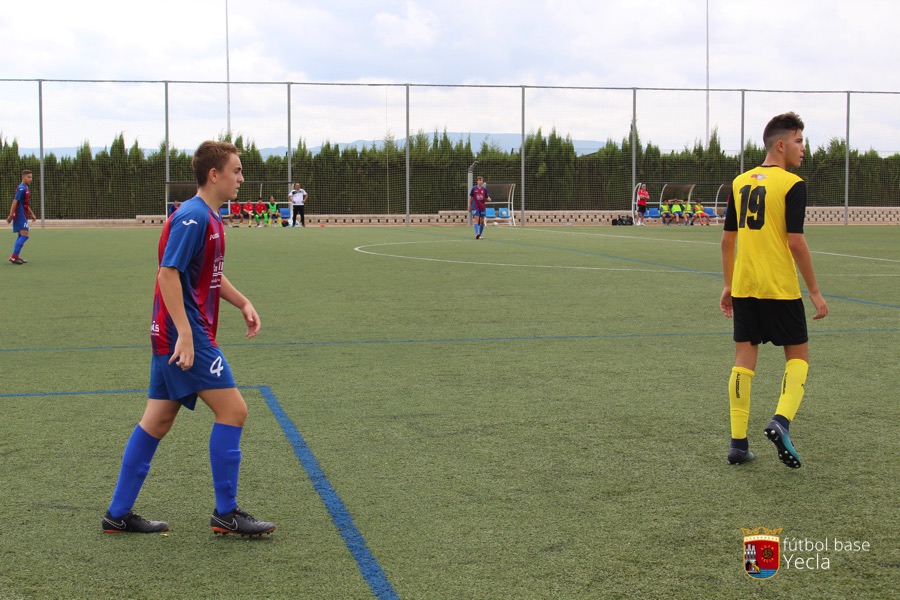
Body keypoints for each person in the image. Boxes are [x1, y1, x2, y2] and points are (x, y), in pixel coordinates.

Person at [102, 141, 276, 536]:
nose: (241, 178)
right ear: (214, 175)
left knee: (157, 420)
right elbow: (168, 274)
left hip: (176, 334)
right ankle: (226, 513)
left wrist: (242, 301)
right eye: (236, 170)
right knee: (234, 411)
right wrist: (185, 333)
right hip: (187, 335)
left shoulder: (209, 218)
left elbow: (207, 274)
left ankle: (117, 513)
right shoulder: (193, 218)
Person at [720, 112, 828, 468]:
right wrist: (813, 290)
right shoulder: (791, 184)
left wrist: (727, 285)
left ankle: (738, 444)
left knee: (743, 361)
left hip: (745, 286)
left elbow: (727, 241)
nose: (803, 148)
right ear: (780, 145)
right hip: (780, 287)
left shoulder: (739, 182)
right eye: (799, 141)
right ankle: (780, 422)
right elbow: (795, 241)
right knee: (798, 358)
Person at [7, 169, 36, 264]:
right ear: (23, 177)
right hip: (19, 216)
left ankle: (16, 256)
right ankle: (13, 257)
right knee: (25, 235)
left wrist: (31, 213)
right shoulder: (21, 189)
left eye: (31, 177)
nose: (30, 179)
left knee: (21, 235)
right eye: (28, 177)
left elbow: (25, 203)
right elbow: (15, 201)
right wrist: (11, 215)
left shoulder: (25, 188)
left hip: (22, 214)